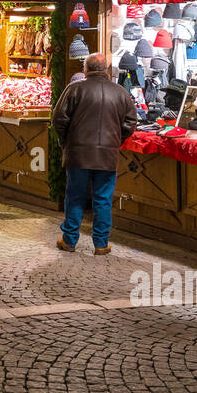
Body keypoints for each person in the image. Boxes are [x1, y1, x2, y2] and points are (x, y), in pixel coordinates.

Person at [51, 52, 137, 255]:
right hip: (107, 156)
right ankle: (101, 243)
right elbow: (130, 123)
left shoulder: (74, 89)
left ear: (86, 69)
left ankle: (69, 240)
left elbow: (58, 119)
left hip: (78, 154)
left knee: (75, 197)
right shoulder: (120, 92)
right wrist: (115, 141)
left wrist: (66, 142)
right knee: (103, 198)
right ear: (106, 70)